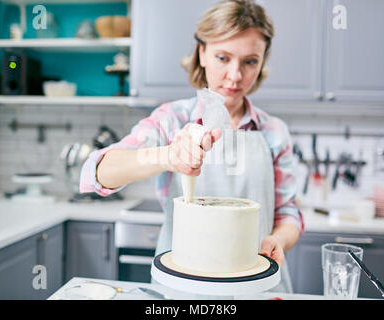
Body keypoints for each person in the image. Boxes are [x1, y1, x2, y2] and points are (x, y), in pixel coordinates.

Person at [80, 0, 304, 293]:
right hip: (184, 290)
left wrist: (278, 240)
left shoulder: (274, 132)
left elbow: (289, 214)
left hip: (257, 286)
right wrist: (167, 155)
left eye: (250, 61)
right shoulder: (171, 120)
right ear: (202, 53)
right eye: (223, 57)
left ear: (262, 61)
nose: (235, 76)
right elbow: (97, 173)